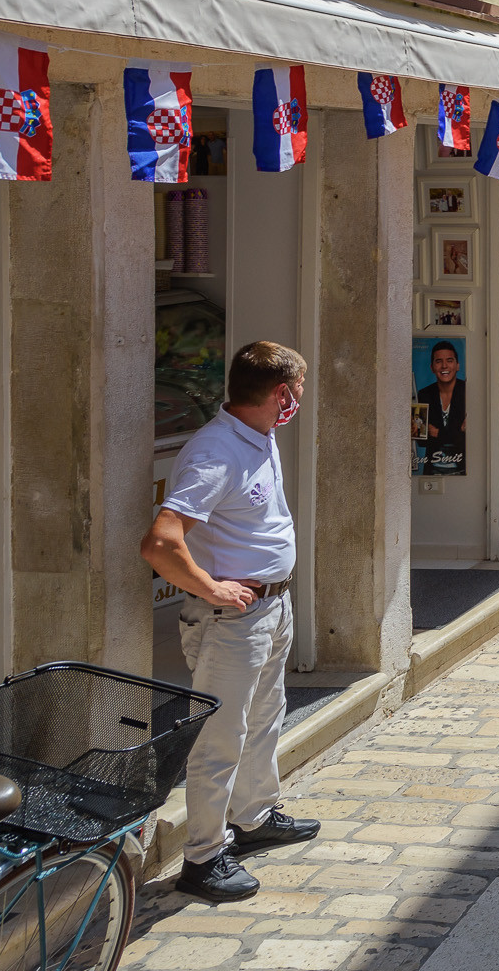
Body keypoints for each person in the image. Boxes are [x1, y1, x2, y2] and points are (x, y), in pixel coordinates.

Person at [140, 341, 321, 904]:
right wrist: (211, 586)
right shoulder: (216, 453)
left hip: (270, 607)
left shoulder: (258, 437)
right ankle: (203, 856)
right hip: (230, 620)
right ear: (281, 394)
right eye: (299, 388)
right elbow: (161, 542)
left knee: (265, 716)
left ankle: (254, 816)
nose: (302, 398)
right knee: (220, 737)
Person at [412, 339, 466, 473]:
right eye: (438, 361)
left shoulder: (468, 392)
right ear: (432, 367)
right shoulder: (424, 394)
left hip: (463, 471)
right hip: (432, 470)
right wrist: (457, 431)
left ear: (457, 366)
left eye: (449, 360)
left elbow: (470, 438)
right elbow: (421, 441)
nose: (444, 366)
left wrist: (437, 433)